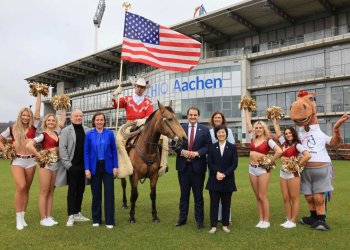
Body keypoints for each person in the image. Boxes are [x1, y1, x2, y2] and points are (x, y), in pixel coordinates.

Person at [290, 90, 350, 230]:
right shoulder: (300, 133)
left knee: (318, 197)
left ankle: (321, 219)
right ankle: (313, 217)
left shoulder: (320, 132)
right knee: (308, 196)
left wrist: (336, 128)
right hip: (305, 169)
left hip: (321, 168)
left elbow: (334, 142)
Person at [112, 78, 168, 178]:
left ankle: (162, 165)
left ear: (144, 89)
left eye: (142, 87)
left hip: (144, 125)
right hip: (129, 125)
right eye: (138, 86)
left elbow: (148, 116)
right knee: (119, 140)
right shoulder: (127, 99)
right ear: (134, 87)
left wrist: (141, 122)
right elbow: (115, 105)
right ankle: (121, 165)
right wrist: (114, 95)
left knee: (164, 138)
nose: (139, 89)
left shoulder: (148, 102)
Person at [0, 94, 41, 230]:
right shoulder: (12, 128)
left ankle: (23, 216)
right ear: (20, 116)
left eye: (27, 115)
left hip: (30, 161)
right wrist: (5, 149)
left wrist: (39, 93)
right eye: (23, 115)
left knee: (27, 189)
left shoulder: (34, 127)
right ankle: (18, 218)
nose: (26, 117)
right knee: (21, 186)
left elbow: (37, 111)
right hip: (17, 160)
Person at [26, 109, 66, 226]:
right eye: (49, 120)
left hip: (56, 164)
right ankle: (43, 218)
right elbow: (29, 145)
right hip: (46, 166)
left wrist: (63, 108)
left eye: (53, 120)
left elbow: (62, 122)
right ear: (45, 122)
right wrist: (40, 156)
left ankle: (49, 216)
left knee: (51, 191)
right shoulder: (43, 135)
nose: (51, 122)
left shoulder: (57, 133)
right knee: (44, 192)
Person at [243, 109, 282, 229]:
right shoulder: (253, 139)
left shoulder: (268, 140)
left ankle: (267, 220)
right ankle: (261, 219)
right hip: (252, 169)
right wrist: (246, 110)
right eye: (257, 128)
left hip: (263, 170)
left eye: (260, 127)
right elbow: (248, 122)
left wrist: (270, 161)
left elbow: (279, 151)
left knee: (262, 195)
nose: (258, 129)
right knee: (257, 196)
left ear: (264, 129)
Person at [174, 107, 211, 229]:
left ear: (198, 116)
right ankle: (182, 219)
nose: (193, 117)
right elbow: (173, 144)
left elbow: (208, 146)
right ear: (187, 116)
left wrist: (197, 153)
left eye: (195, 115)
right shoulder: (180, 128)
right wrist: (182, 151)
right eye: (191, 115)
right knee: (184, 195)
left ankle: (199, 221)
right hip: (183, 168)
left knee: (198, 196)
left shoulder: (205, 130)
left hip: (198, 168)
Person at [272, 118, 311, 228]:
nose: (288, 135)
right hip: (282, 173)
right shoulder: (283, 144)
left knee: (294, 198)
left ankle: (293, 221)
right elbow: (278, 131)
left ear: (293, 134)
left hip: (293, 174)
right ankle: (288, 218)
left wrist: (297, 165)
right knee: (285, 198)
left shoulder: (297, 145)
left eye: (290, 133)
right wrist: (274, 119)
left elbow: (308, 155)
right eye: (286, 133)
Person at [84, 112, 118, 229]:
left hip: (108, 167)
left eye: (101, 120)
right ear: (94, 121)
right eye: (97, 120)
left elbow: (114, 151)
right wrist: (87, 168)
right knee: (96, 194)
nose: (99, 122)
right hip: (94, 168)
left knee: (109, 194)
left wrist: (115, 166)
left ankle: (109, 220)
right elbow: (86, 152)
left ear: (104, 121)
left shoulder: (110, 133)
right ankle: (96, 219)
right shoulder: (89, 134)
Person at [59, 109, 90, 227]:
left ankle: (77, 213)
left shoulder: (87, 130)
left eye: (80, 116)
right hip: (72, 166)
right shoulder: (66, 131)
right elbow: (62, 149)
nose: (78, 117)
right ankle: (70, 215)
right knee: (72, 191)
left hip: (84, 167)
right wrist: (69, 166)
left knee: (81, 190)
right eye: (76, 116)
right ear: (71, 118)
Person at [206, 125, 238, 234]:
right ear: (216, 135)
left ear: (226, 134)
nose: (221, 134)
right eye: (219, 132)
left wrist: (224, 174)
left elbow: (234, 164)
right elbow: (210, 163)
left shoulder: (232, 147)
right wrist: (217, 173)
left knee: (226, 204)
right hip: (214, 179)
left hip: (227, 180)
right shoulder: (211, 147)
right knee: (213, 204)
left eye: (223, 132)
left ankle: (225, 225)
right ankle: (213, 226)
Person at [209, 111, 235, 224]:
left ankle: (226, 218)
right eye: (215, 117)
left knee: (226, 195)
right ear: (213, 120)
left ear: (222, 119)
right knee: (215, 194)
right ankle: (216, 218)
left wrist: (225, 172)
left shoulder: (228, 131)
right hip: (214, 166)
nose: (217, 119)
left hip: (226, 168)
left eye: (219, 117)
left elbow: (231, 147)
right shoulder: (209, 131)